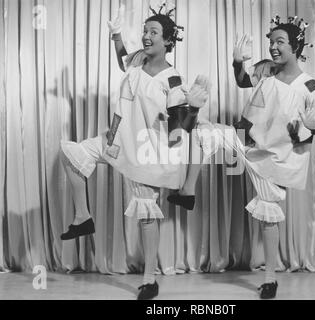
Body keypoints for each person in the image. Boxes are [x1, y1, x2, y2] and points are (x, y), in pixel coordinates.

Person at [168, 16, 315, 299]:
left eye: (280, 42)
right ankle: (187, 191)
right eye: (271, 42)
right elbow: (243, 80)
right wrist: (236, 62)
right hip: (243, 138)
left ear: (296, 46)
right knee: (204, 133)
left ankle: (270, 280)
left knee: (268, 216)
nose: (273, 47)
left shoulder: (311, 86)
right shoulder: (266, 69)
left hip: (273, 157)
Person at [60, 4, 210, 300]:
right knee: (71, 154)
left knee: (145, 214)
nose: (146, 36)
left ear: (168, 40)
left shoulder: (172, 79)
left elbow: (181, 128)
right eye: (144, 30)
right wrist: (116, 34)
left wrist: (192, 107)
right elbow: (121, 60)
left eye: (153, 32)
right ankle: (82, 217)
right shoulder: (137, 62)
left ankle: (150, 279)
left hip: (146, 152)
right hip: (116, 141)